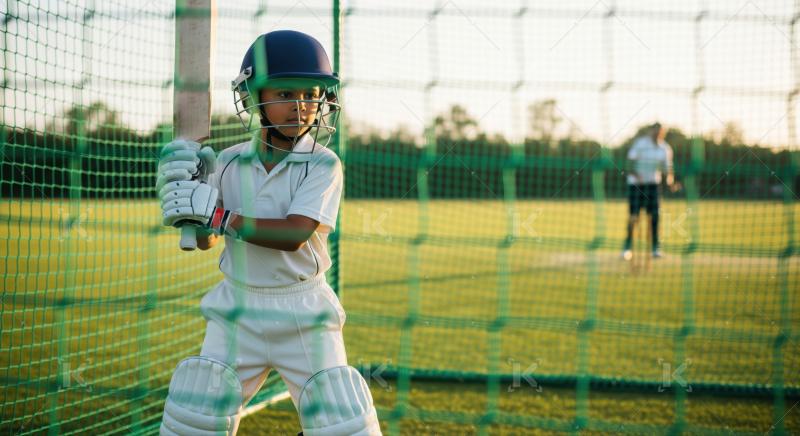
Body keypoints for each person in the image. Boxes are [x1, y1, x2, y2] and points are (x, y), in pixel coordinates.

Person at [156, 30, 381, 436]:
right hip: (236, 307)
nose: (300, 108)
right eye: (284, 94)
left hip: (304, 310)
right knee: (195, 414)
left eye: (311, 95)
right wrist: (189, 205)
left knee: (341, 421)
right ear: (253, 97)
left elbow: (294, 233)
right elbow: (207, 241)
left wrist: (220, 215)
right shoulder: (225, 163)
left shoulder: (322, 164)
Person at [621, 122, 675, 260]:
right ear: (651, 131)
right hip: (636, 185)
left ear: (663, 133)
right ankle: (627, 248)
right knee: (634, 216)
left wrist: (670, 182)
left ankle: (655, 248)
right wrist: (634, 173)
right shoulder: (640, 144)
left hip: (652, 185)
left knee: (655, 216)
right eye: (655, 131)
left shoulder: (665, 148)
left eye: (660, 132)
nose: (657, 134)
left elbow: (667, 169)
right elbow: (629, 163)